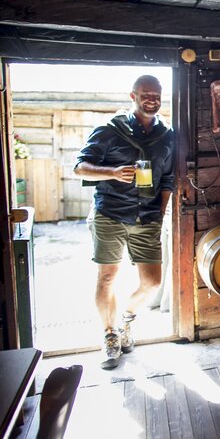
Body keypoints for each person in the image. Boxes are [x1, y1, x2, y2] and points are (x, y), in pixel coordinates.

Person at [73, 74, 175, 370]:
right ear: (133, 97)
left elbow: (168, 178)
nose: (152, 99)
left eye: (156, 94)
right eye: (146, 94)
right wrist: (113, 172)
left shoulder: (167, 135)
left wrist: (161, 211)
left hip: (147, 216)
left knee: (151, 283)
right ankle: (109, 335)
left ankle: (126, 318)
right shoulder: (109, 130)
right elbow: (80, 167)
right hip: (111, 214)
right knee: (107, 278)